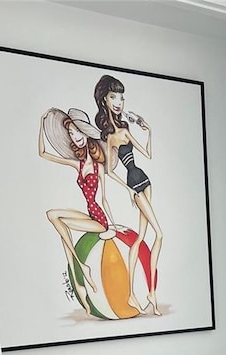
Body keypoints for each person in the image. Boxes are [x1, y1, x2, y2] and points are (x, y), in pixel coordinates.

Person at [94, 74, 162, 315]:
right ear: (104, 99)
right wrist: (127, 191)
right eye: (114, 96)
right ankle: (141, 293)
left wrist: (149, 131)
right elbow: (109, 171)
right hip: (133, 182)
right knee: (159, 234)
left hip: (145, 179)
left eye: (121, 97)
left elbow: (147, 154)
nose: (119, 102)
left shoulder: (125, 127)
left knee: (142, 236)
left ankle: (144, 294)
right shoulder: (110, 137)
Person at [39, 107, 118, 310]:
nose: (75, 138)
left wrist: (113, 225)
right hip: (89, 213)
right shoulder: (78, 165)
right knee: (53, 216)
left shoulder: (99, 168)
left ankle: (81, 272)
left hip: (100, 221)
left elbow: (104, 198)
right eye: (72, 134)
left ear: (87, 133)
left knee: (60, 224)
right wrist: (41, 123)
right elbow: (43, 153)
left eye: (78, 132)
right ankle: (81, 270)